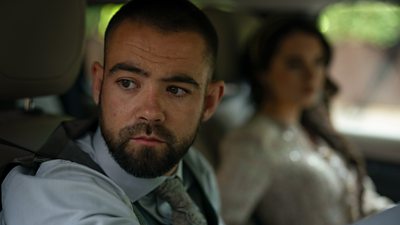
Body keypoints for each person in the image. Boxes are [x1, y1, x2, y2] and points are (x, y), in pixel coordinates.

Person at [0, 0, 225, 224]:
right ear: (98, 85)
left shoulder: (194, 169)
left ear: (209, 102)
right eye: (127, 83)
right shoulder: (56, 196)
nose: (150, 112)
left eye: (176, 90)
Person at [216, 14, 393, 225]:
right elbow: (225, 218)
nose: (312, 75)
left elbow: (364, 202)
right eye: (294, 64)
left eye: (318, 62)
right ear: (263, 72)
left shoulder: (314, 130)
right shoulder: (252, 143)